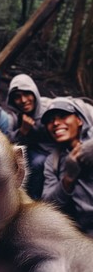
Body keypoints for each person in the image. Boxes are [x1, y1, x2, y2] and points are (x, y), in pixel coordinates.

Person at [41, 97, 93, 236]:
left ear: (79, 120)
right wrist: (68, 178)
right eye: (50, 121)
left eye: (63, 116)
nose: (56, 123)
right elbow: (48, 203)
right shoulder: (52, 161)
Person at [7, 73, 53, 199]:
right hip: (34, 152)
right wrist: (22, 131)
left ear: (34, 93)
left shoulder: (50, 108)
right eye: (17, 97)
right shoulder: (15, 118)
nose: (23, 100)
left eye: (27, 94)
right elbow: (7, 144)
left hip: (56, 151)